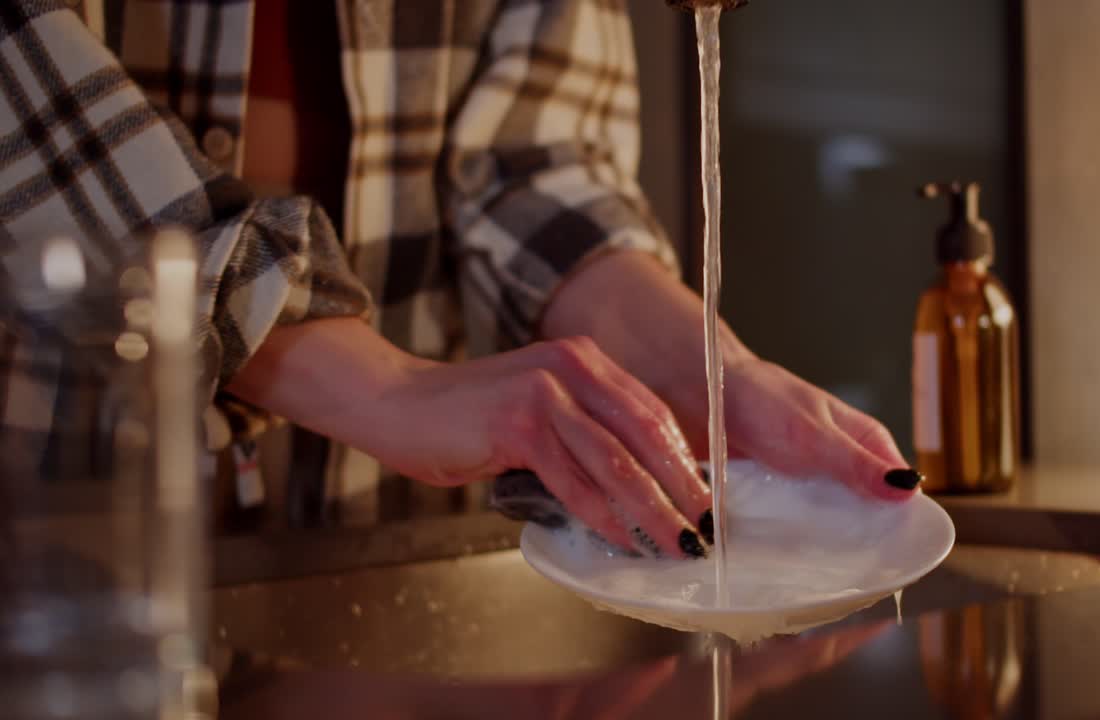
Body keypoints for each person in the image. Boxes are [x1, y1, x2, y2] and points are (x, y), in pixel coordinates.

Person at [0, 0, 921, 559]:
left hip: (372, 547)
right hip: (53, 535)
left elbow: (533, 156)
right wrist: (384, 387)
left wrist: (705, 371)